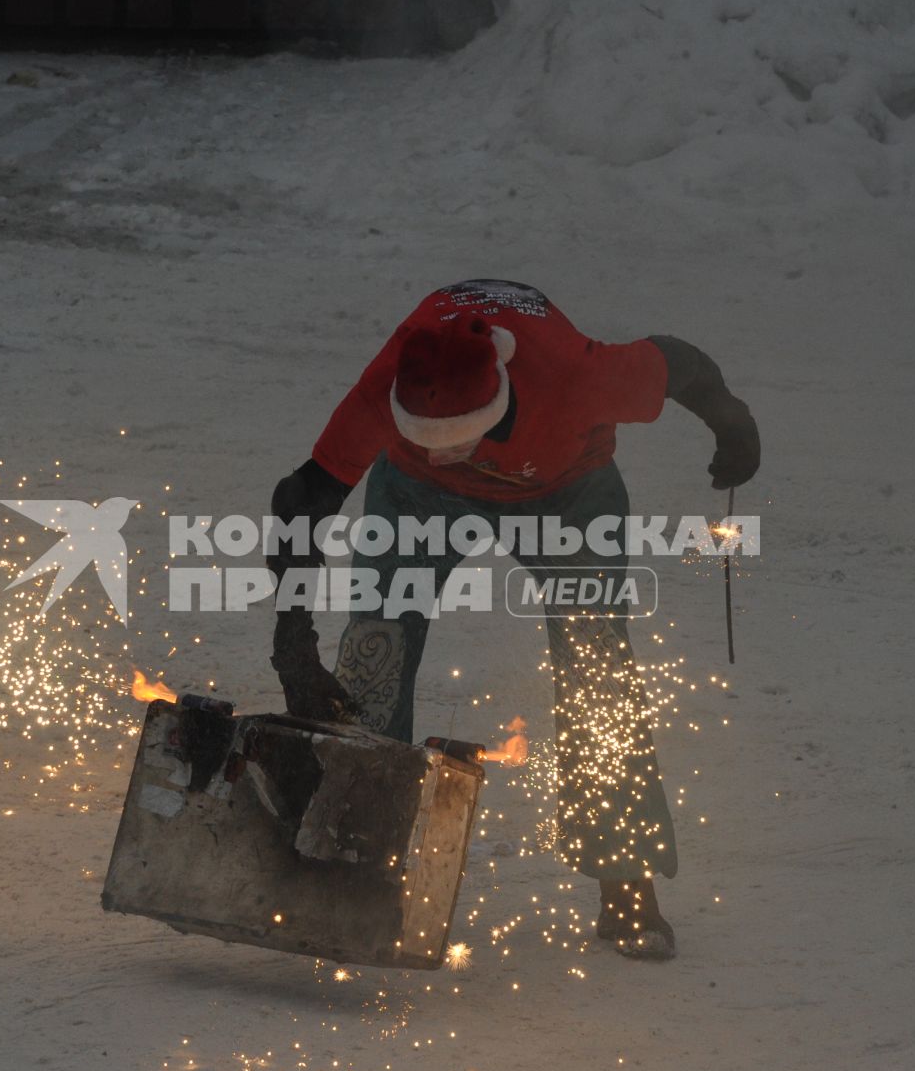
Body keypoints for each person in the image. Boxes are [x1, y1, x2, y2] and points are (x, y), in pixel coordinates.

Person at [266, 279, 759, 959]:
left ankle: (626, 881)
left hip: (568, 493)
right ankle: (354, 865)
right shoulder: (397, 377)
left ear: (498, 403)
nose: (442, 450)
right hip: (417, 498)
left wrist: (730, 417)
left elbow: (679, 362)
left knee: (598, 670)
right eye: (421, 435)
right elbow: (303, 500)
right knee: (374, 648)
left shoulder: (579, 377)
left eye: (455, 439)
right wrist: (291, 639)